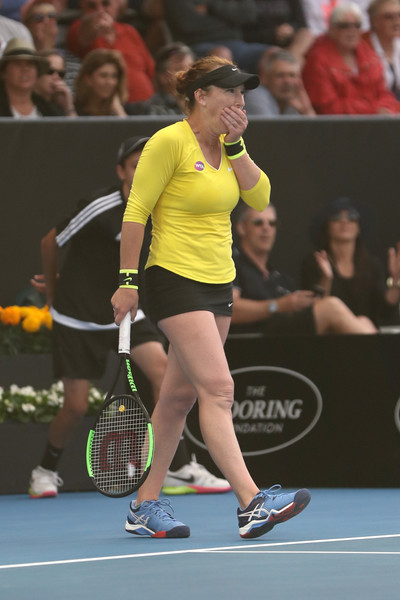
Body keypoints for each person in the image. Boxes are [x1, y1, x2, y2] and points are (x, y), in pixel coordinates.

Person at [111, 55, 311, 539]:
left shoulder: (228, 144)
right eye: (231, 92)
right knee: (219, 390)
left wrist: (237, 144)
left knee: (178, 397)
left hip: (218, 280)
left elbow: (259, 197)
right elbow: (136, 212)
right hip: (172, 279)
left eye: (243, 93)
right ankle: (251, 501)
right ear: (201, 96)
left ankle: (143, 505)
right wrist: (127, 281)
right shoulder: (168, 142)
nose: (240, 101)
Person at [28, 135, 231, 499]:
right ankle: (44, 470)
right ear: (121, 170)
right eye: (134, 165)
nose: (141, 172)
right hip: (78, 316)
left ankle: (177, 467)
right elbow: (49, 242)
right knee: (74, 406)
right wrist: (55, 293)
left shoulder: (164, 204)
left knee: (163, 376)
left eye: (146, 165)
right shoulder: (101, 206)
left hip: (128, 312)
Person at [231, 202, 379, 336]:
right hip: (256, 341)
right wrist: (278, 305)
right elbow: (229, 309)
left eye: (272, 223)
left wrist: (325, 281)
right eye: (258, 223)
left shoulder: (279, 277)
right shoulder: (232, 263)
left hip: (293, 343)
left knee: (363, 320)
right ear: (242, 228)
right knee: (331, 306)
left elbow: (313, 314)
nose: (266, 228)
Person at [300, 196, 400, 327]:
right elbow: (314, 314)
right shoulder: (314, 262)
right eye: (336, 217)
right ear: (326, 225)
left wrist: (396, 281)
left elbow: (384, 312)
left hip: (367, 340)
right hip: (330, 341)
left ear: (359, 226)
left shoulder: (372, 265)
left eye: (352, 217)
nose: (344, 221)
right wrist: (326, 279)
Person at [302, 2, 400, 114]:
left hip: (372, 124)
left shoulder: (368, 55)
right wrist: (374, 110)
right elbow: (327, 107)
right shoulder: (317, 59)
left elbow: (383, 93)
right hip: (336, 128)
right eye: (344, 26)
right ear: (331, 29)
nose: (351, 30)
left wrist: (385, 108)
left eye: (356, 25)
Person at [66, 0, 155, 102]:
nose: (100, 10)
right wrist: (94, 20)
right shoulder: (78, 28)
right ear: (82, 7)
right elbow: (84, 34)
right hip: (109, 110)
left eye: (106, 4)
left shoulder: (129, 31)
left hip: (147, 104)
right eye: (92, 6)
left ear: (117, 4)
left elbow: (151, 71)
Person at [162, 0, 271, 74]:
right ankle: (227, 105)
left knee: (275, 55)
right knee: (222, 54)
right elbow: (189, 24)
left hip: (237, 44)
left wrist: (211, 6)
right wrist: (231, 20)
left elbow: (249, 14)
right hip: (198, 45)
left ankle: (261, 102)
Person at [20, 0, 81, 92]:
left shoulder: (74, 62)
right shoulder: (22, 64)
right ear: (26, 26)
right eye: (39, 18)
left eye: (51, 16)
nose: (46, 21)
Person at [127, 41, 195, 116]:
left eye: (191, 67)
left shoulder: (203, 100)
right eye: (179, 69)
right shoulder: (156, 107)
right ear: (163, 76)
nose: (188, 73)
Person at [0, 36, 60, 116]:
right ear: (3, 72)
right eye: (17, 63)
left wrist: (68, 108)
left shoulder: (48, 109)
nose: (25, 69)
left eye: (30, 64)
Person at [245, 49, 315, 116]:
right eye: (280, 75)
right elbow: (269, 128)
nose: (287, 81)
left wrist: (306, 111)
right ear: (265, 78)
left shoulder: (294, 100)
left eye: (292, 75)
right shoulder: (257, 97)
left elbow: (315, 127)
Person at [242, 0, 314, 64]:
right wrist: (273, 34)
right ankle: (288, 64)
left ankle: (286, 63)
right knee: (300, 60)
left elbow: (302, 24)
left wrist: (290, 29)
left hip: (290, 41)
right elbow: (244, 32)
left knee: (306, 34)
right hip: (263, 42)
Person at [73, 48, 128, 115]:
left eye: (114, 76)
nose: (110, 82)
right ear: (88, 79)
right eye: (103, 76)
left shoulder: (124, 109)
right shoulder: (74, 109)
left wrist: (118, 110)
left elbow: (127, 125)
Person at [363, 0, 400, 100]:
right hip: (376, 109)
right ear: (374, 21)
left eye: (399, 15)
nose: (396, 21)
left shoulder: (398, 44)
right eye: (389, 17)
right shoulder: (362, 46)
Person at [35, 48, 76, 114]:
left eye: (61, 74)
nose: (56, 77)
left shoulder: (58, 107)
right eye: (50, 71)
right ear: (36, 72)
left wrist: (68, 107)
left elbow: (75, 124)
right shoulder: (27, 102)